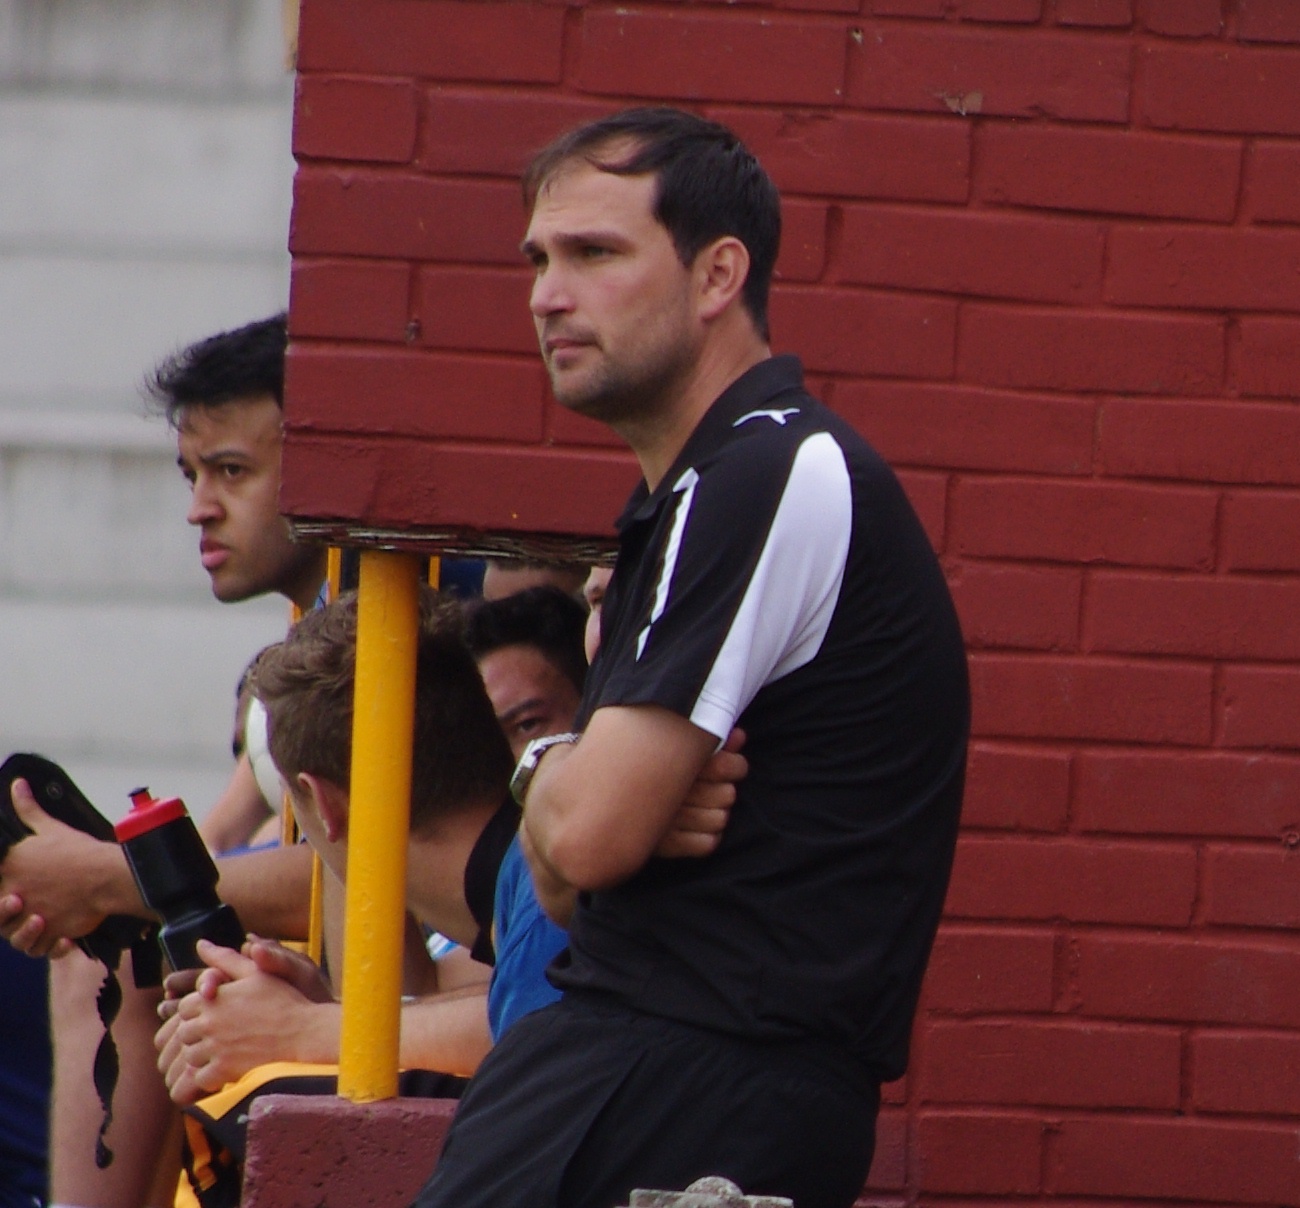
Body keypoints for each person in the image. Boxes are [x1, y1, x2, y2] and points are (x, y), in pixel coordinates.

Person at [411, 107, 970, 1208]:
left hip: (684, 1083)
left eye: (594, 253)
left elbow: (587, 838)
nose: (548, 294)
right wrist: (580, 785)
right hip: (649, 1070)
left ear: (718, 274)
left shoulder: (766, 473)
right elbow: (565, 888)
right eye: (538, 259)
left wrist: (558, 775)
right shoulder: (688, 499)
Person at [0, 315, 337, 1208]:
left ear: (326, 458)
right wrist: (82, 880)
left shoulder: (394, 620)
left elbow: (368, 877)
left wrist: (107, 879)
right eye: (193, 475)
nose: (199, 507)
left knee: (107, 956)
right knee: (102, 935)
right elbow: (221, 837)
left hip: (421, 992)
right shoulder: (308, 637)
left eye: (232, 471)